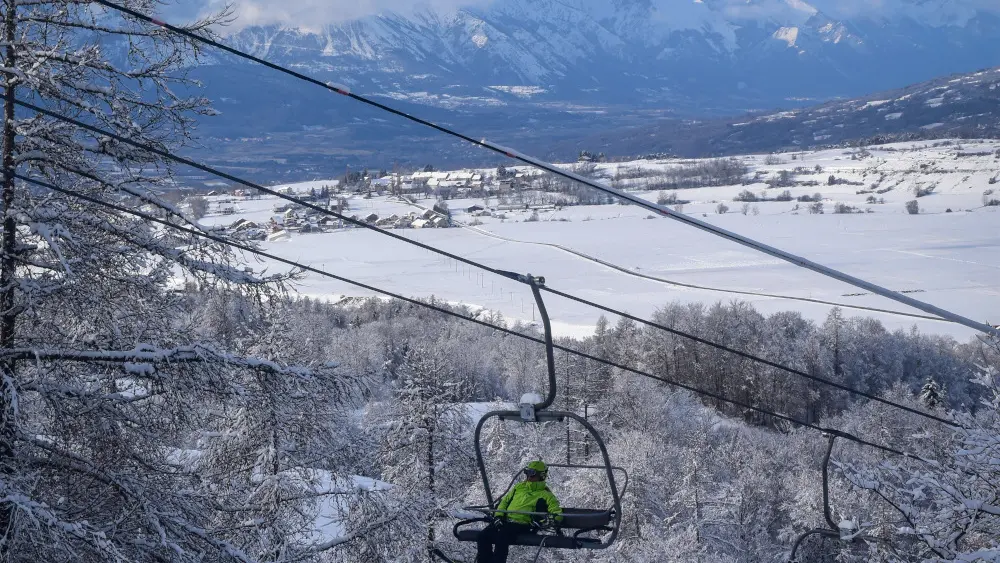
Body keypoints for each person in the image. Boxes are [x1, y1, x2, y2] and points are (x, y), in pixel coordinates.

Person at [476, 460, 563, 563]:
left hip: (523, 524)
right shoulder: (519, 487)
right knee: (483, 536)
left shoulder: (545, 494)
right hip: (505, 521)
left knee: (501, 537)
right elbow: (504, 502)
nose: (529, 477)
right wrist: (498, 516)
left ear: (541, 476)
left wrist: (554, 520)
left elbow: (557, 511)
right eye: (527, 473)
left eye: (532, 473)